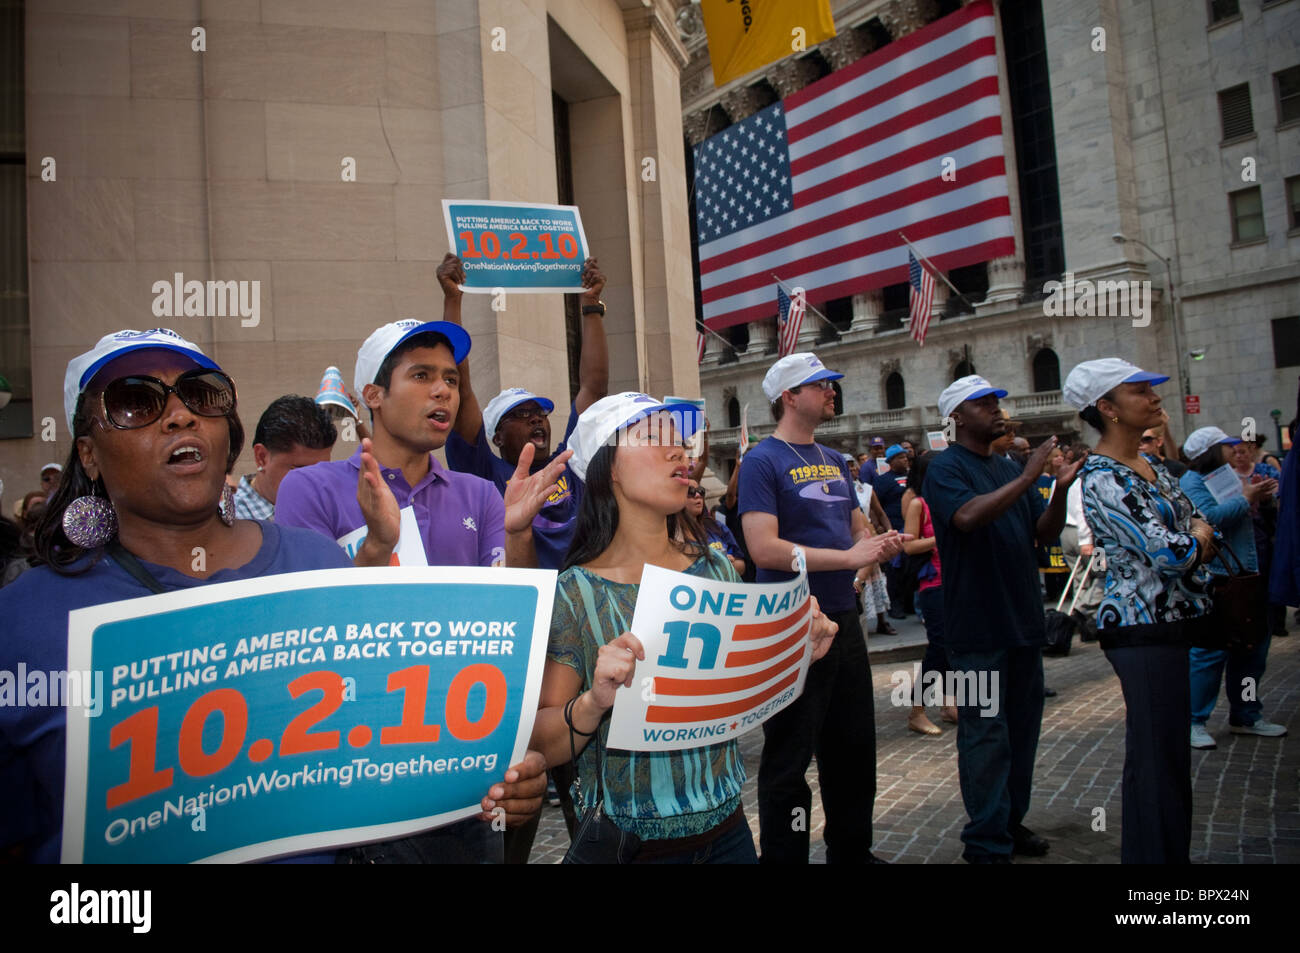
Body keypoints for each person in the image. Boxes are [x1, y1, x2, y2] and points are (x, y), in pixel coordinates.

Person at [0, 329, 546, 863]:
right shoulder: (24, 622)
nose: (181, 415)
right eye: (135, 402)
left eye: (200, 394)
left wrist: (487, 780)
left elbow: (389, 746)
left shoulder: (317, 563)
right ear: (89, 454)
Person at [275, 319, 561, 863]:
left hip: (464, 782)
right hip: (355, 785)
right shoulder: (310, 489)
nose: (443, 391)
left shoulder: (480, 494)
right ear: (373, 396)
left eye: (451, 380)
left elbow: (511, 631)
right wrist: (378, 548)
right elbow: (308, 636)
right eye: (423, 376)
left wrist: (519, 531)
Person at [530, 393, 839, 863]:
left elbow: (738, 694)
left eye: (680, 442)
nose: (680, 452)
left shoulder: (716, 569)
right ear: (608, 466)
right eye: (654, 438)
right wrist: (593, 704)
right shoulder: (575, 595)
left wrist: (792, 651)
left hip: (730, 833)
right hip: (630, 848)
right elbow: (541, 742)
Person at [739, 352, 905, 863]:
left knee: (853, 746)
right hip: (788, 624)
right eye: (820, 385)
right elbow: (763, 547)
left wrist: (873, 552)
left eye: (831, 384)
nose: (832, 391)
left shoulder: (834, 460)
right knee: (790, 755)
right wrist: (850, 557)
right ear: (789, 396)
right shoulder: (762, 460)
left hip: (843, 618)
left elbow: (858, 528)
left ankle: (851, 851)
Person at [1066, 358, 1216, 864]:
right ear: (1107, 408)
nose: (1154, 398)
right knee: (1157, 762)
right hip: (1141, 629)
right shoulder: (1104, 476)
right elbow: (1173, 552)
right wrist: (1196, 538)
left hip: (1171, 623)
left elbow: (1194, 521)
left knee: (1167, 757)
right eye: (1139, 391)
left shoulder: (1147, 465)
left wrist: (1194, 535)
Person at [923, 374, 1078, 863]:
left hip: (1022, 621)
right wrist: (1030, 476)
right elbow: (967, 518)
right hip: (975, 629)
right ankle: (986, 842)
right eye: (983, 403)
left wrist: (1057, 491)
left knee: (1021, 733)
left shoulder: (1009, 466)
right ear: (957, 417)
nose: (996, 409)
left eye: (996, 401)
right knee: (985, 737)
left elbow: (1043, 533)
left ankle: (1010, 823)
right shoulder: (945, 468)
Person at [438, 252, 608, 571]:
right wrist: (453, 300)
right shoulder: (485, 475)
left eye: (539, 413)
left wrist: (591, 306)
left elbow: (594, 388)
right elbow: (459, 387)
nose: (535, 418)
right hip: (525, 607)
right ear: (498, 437)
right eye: (519, 414)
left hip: (580, 605)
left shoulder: (570, 462)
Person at [1179, 426, 1285, 748]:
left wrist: (1261, 500)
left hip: (1251, 574)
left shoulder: (1226, 477)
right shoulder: (1192, 482)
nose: (1233, 451)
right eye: (1225, 446)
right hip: (1219, 579)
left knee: (1252, 651)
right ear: (1211, 451)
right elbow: (1207, 519)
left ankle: (1246, 713)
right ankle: (1195, 720)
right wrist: (1246, 497)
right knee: (1210, 653)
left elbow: (1252, 518)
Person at [897, 451, 957, 735]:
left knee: (958, 645)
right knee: (940, 646)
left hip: (959, 581)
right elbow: (909, 546)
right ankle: (917, 710)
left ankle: (952, 705)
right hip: (933, 584)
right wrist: (940, 538)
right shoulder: (918, 504)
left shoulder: (949, 499)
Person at [233, 395, 338, 519]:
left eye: (322, 472)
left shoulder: (332, 508)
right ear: (261, 457)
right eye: (300, 472)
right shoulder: (229, 525)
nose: (315, 486)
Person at [874, 444, 911, 619]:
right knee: (895, 571)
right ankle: (895, 606)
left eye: (906, 457)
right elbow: (876, 506)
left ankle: (909, 603)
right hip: (894, 530)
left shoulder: (912, 477)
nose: (905, 460)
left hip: (911, 529)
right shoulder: (883, 481)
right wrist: (880, 526)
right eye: (901, 457)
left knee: (910, 568)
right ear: (891, 461)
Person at [682, 478, 745, 575]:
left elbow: (741, 565)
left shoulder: (716, 526)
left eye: (700, 491)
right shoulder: (671, 534)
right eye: (691, 491)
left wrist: (727, 565)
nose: (698, 495)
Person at [1036, 446, 1069, 602]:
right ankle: (1052, 591)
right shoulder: (1041, 479)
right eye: (1056, 456)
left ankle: (1066, 590)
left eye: (1062, 456)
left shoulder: (1063, 477)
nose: (1060, 459)